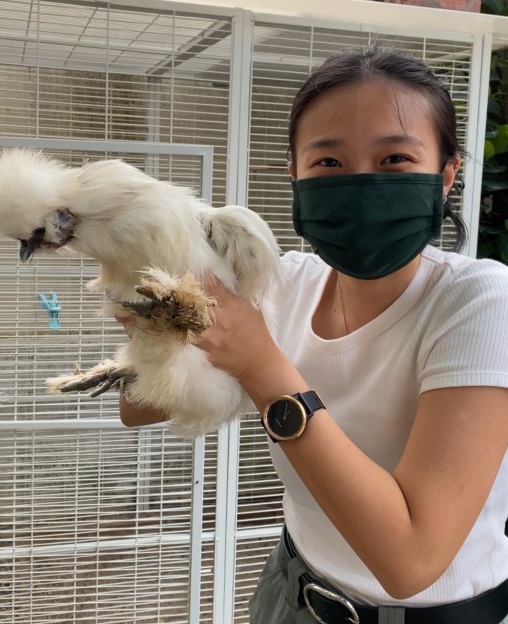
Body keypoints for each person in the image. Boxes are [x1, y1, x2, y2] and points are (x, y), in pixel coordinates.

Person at [120, 48, 508, 623]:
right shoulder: (283, 282)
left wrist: (258, 364)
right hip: (291, 590)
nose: (359, 185)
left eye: (395, 158)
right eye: (329, 163)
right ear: (295, 175)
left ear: (446, 176)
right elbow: (138, 408)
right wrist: (161, 331)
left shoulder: (481, 301)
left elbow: (410, 561)